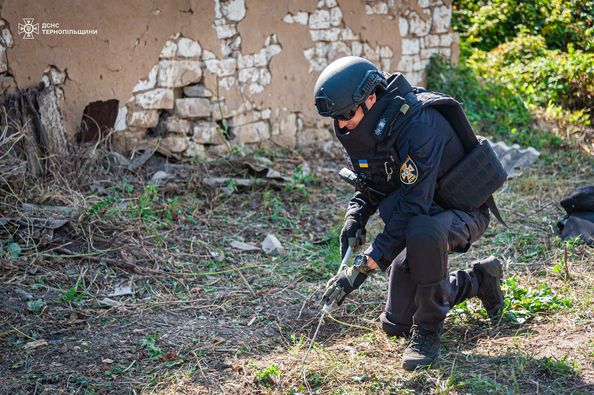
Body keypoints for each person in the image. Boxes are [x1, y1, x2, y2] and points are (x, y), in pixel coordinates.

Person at [314, 56, 505, 371]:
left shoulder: (418, 124)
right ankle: (478, 281)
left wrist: (364, 266)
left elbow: (414, 206)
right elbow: (373, 185)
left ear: (371, 98)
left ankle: (428, 333)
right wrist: (355, 218)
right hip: (421, 218)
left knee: (422, 231)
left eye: (346, 114)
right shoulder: (368, 129)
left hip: (461, 211)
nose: (343, 124)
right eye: (336, 118)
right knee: (396, 322)